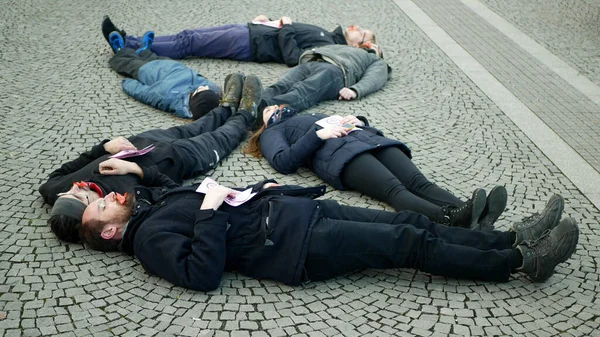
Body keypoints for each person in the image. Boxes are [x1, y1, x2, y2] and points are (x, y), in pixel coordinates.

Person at [78, 174, 578, 291]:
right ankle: (520, 264)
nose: (109, 196)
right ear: (106, 235)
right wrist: (209, 210)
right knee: (410, 244)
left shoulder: (152, 205)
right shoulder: (146, 242)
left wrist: (271, 187)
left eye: (101, 195)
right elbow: (201, 273)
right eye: (101, 205)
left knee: (413, 222)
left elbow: (218, 194)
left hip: (294, 213)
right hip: (295, 247)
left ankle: (510, 238)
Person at [39, 73, 263, 243]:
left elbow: (64, 171)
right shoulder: (118, 208)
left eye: (67, 192)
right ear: (89, 215)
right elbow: (169, 193)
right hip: (179, 158)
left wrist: (105, 146)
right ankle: (245, 113)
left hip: (150, 140)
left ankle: (226, 108)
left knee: (200, 125)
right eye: (80, 197)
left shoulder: (53, 188)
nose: (76, 187)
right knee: (223, 137)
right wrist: (134, 170)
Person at [244, 106, 508, 230]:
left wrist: (358, 121)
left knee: (420, 183)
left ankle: (474, 213)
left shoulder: (310, 114)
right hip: (341, 156)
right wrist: (319, 135)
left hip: (371, 141)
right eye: (269, 109)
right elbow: (283, 161)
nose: (276, 107)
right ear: (262, 124)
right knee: (395, 190)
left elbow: (355, 125)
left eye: (277, 105)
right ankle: (448, 218)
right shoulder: (271, 133)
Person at [101, 15, 375, 66]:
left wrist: (286, 28)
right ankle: (130, 41)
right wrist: (267, 20)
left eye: (361, 32)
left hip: (250, 44)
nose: (355, 26)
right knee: (189, 36)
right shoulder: (328, 34)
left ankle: (127, 48)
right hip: (251, 30)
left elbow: (293, 57)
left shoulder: (328, 47)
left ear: (356, 46)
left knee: (191, 44)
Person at [107, 30, 223, 120]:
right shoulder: (209, 93)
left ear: (193, 97)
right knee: (152, 57)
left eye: (201, 90)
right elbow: (215, 93)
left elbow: (143, 93)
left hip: (149, 72)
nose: (204, 86)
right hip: (172, 66)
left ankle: (120, 50)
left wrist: (127, 83)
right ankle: (144, 50)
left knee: (130, 62)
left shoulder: (168, 97)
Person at [259, 43, 389, 114]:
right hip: (313, 61)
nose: (371, 45)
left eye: (376, 47)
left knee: (303, 91)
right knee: (282, 85)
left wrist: (355, 90)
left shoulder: (375, 60)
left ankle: (262, 109)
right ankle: (252, 101)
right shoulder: (346, 46)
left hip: (336, 71)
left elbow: (374, 77)